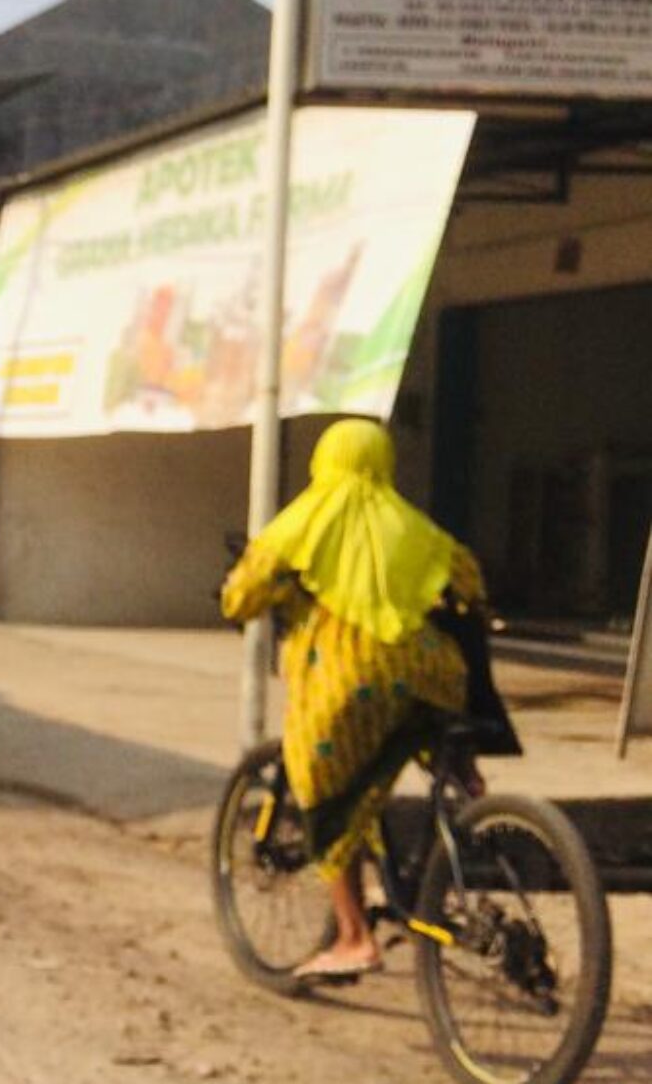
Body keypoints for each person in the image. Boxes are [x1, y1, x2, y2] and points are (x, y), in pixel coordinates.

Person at [220, 418, 487, 982]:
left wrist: (242, 598)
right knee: (394, 744)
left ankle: (353, 936)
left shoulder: (306, 518)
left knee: (323, 793)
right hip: (430, 673)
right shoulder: (413, 525)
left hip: (351, 678)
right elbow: (469, 580)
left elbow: (243, 593)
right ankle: (461, 786)